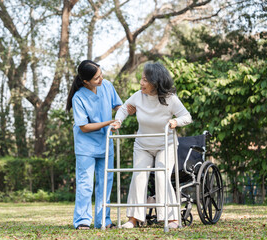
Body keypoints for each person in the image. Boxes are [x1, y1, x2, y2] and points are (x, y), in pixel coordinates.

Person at [111, 62, 192, 229]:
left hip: (166, 144)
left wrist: (175, 121)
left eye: (145, 80)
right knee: (138, 176)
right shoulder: (138, 96)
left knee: (162, 176)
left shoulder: (170, 99)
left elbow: (187, 116)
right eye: (141, 79)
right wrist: (118, 121)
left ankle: (171, 219)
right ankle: (133, 219)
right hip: (143, 145)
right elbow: (124, 109)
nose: (141, 83)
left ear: (156, 82)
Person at [66, 60, 134, 230]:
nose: (101, 79)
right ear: (85, 81)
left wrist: (123, 113)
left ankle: (104, 220)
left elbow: (119, 105)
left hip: (105, 144)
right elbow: (84, 126)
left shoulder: (107, 86)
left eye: (101, 75)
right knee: (85, 184)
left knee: (105, 183)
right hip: (85, 146)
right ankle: (82, 220)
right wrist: (107, 123)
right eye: (96, 78)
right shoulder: (79, 97)